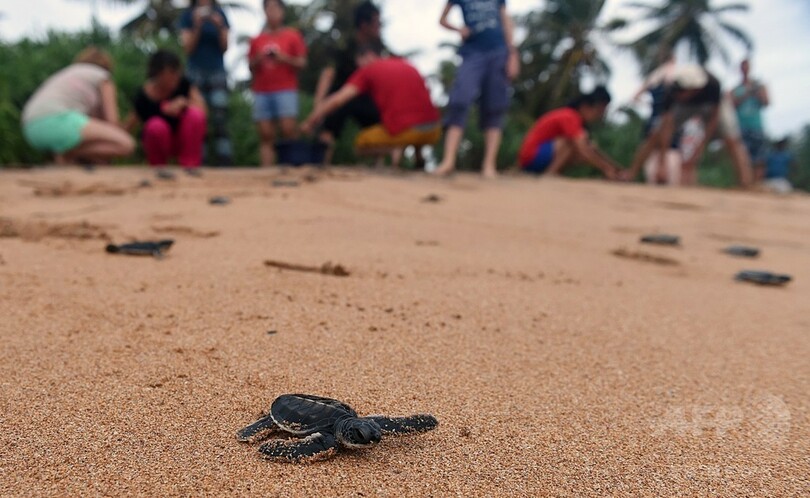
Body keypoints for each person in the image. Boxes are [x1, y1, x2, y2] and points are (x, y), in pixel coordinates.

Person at [301, 47, 441, 164]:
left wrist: (310, 121)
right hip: (433, 129)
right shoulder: (405, 64)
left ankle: (394, 147)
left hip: (406, 132)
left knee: (360, 145)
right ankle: (418, 158)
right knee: (414, 116)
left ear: (366, 56)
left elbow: (338, 100)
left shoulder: (368, 71)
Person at [623, 65, 753, 187]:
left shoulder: (713, 84)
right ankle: (631, 173)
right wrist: (662, 163)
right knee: (655, 134)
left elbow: (714, 118)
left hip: (713, 106)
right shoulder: (671, 91)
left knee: (732, 139)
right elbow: (666, 127)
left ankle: (745, 182)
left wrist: (699, 149)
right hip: (684, 106)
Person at [434, 0, 520, 178]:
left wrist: (512, 53)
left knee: (495, 105)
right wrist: (459, 29)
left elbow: (506, 21)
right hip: (472, 52)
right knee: (460, 100)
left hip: (499, 52)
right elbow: (442, 19)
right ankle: (448, 161)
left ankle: (489, 165)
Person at [21, 46, 134, 163]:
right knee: (125, 144)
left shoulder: (68, 72)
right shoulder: (103, 77)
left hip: (31, 129)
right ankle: (68, 153)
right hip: (58, 119)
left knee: (94, 149)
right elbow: (112, 122)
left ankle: (68, 155)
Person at [313, 1, 386, 164]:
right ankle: (320, 164)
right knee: (329, 125)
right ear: (364, 25)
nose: (379, 26)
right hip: (340, 96)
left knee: (380, 124)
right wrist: (319, 106)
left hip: (365, 97)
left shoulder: (378, 46)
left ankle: (380, 167)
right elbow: (328, 73)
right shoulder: (345, 44)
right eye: (376, 22)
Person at [125, 50, 208, 170]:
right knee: (155, 126)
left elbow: (203, 110)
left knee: (195, 115)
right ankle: (159, 169)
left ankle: (190, 166)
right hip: (159, 143)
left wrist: (183, 104)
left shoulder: (184, 84)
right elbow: (129, 125)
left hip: (183, 140)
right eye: (172, 72)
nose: (176, 76)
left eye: (177, 72)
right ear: (158, 73)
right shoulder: (143, 98)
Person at [248, 0, 307, 166]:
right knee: (265, 133)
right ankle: (267, 170)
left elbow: (302, 63)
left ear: (282, 11)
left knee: (289, 130)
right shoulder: (256, 40)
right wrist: (259, 59)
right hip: (262, 90)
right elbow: (250, 67)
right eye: (268, 8)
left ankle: (291, 165)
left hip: (286, 89)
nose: (272, 11)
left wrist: (283, 58)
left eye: (275, 8)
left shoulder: (293, 36)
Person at [517, 86, 621, 179]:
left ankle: (551, 173)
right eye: (598, 111)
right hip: (531, 157)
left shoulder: (574, 120)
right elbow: (583, 148)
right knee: (573, 143)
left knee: (587, 146)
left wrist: (615, 168)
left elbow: (592, 149)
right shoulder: (570, 116)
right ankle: (550, 174)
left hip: (537, 157)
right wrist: (606, 169)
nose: (599, 116)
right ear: (585, 107)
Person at [179, 0, 233, 166]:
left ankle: (225, 161)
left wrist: (219, 25)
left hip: (217, 71)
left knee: (220, 117)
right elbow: (188, 48)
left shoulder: (220, 14)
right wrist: (197, 25)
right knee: (198, 117)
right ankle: (199, 160)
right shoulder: (188, 16)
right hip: (194, 73)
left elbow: (225, 47)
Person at [732, 58, 770, 175]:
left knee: (759, 158)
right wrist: (747, 93)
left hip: (756, 126)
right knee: (743, 158)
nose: (745, 69)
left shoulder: (759, 86)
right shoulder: (736, 89)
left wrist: (756, 92)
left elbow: (766, 102)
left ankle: (758, 182)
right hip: (741, 127)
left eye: (746, 66)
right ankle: (747, 182)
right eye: (743, 67)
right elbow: (732, 105)